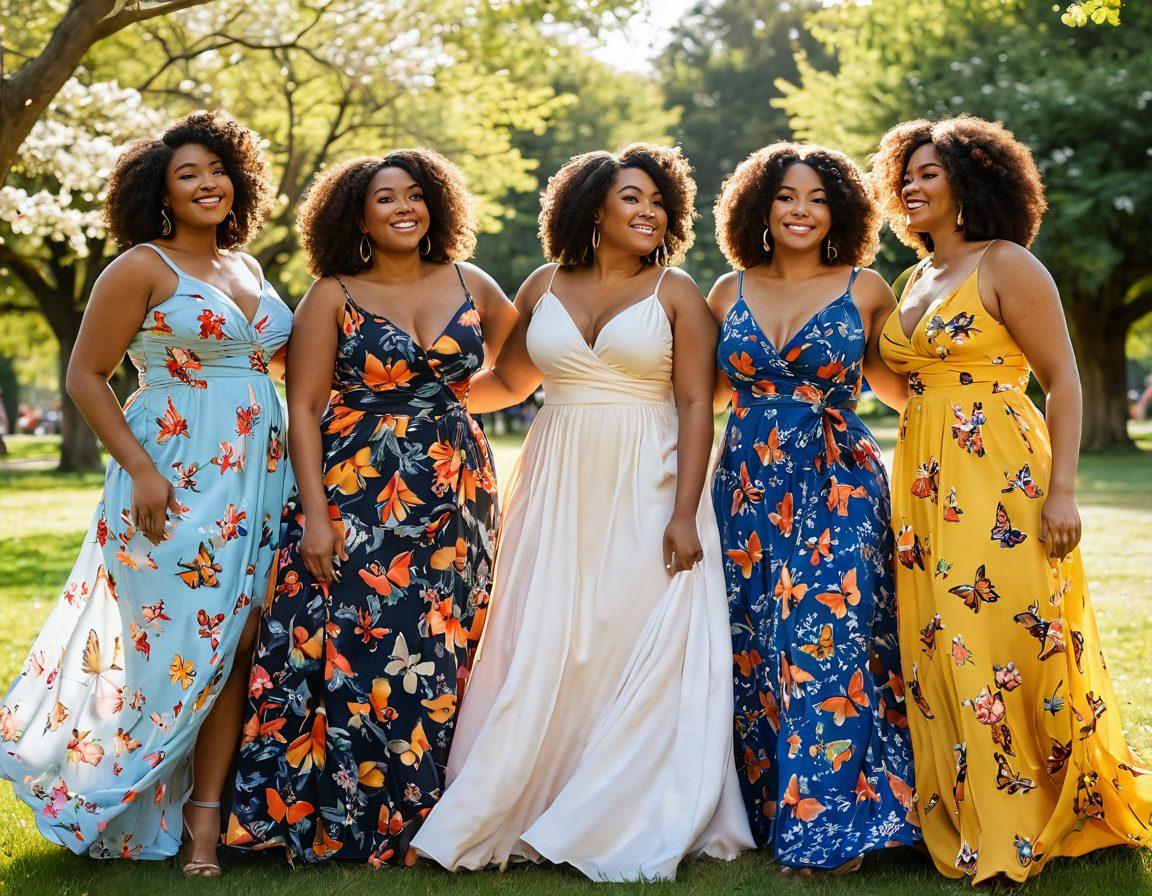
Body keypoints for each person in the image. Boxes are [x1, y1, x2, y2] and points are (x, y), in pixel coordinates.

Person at [411, 144, 754, 881]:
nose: (648, 211)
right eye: (633, 197)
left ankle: (623, 803)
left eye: (659, 202)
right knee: (551, 631)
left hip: (650, 475)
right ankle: (533, 789)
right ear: (592, 205)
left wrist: (685, 512)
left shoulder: (677, 292)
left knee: (627, 631)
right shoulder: (542, 284)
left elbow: (698, 405)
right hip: (557, 473)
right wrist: (411, 404)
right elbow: (506, 378)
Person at [0, 111, 292, 875]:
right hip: (173, 472)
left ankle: (207, 821)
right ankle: (123, 797)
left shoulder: (250, 269)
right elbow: (85, 376)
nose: (207, 184)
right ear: (159, 193)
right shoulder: (141, 267)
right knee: (178, 647)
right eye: (186, 175)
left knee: (236, 644)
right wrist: (140, 469)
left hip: (260, 478)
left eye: (216, 171)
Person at [872, 114, 1152, 885]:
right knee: (937, 638)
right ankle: (969, 809)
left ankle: (1018, 820)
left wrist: (1062, 490)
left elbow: (1064, 378)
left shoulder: (1008, 263)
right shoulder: (912, 278)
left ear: (972, 183)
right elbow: (904, 384)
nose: (913, 185)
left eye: (930, 172)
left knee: (998, 634)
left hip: (1001, 474)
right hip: (926, 482)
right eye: (907, 173)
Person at [224, 151, 503, 866]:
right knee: (359, 645)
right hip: (358, 491)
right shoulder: (332, 293)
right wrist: (315, 517)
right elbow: (306, 407)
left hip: (454, 496)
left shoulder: (473, 283)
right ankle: (349, 813)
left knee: (442, 648)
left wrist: (451, 413)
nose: (405, 208)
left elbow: (525, 365)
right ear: (358, 215)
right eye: (387, 199)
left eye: (416, 195)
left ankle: (430, 816)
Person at [707, 143, 920, 874]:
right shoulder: (725, 291)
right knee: (756, 648)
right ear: (759, 207)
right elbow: (695, 402)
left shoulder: (866, 289)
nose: (801, 210)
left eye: (818, 198)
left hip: (839, 484)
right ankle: (772, 811)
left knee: (824, 640)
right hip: (744, 490)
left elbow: (904, 391)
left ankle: (832, 828)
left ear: (841, 211)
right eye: (787, 196)